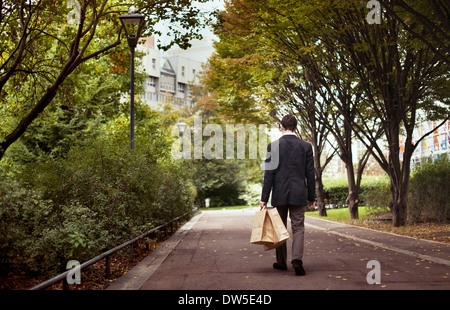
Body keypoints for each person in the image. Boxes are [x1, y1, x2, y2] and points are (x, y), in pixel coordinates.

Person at [260, 114, 315, 276]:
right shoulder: (306, 147)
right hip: (298, 194)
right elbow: (310, 174)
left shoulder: (273, 146)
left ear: (282, 127)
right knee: (298, 228)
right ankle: (297, 260)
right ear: (296, 128)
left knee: (279, 228)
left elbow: (269, 174)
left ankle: (282, 263)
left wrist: (264, 198)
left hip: (279, 194)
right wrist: (311, 196)